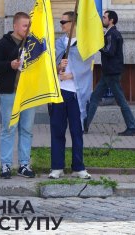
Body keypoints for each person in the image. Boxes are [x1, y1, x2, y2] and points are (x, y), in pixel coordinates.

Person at [0, 12, 36, 179]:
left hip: (29, 93)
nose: (27, 29)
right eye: (24, 26)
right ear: (15, 26)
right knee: (8, 128)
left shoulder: (33, 44)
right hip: (10, 92)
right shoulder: (2, 44)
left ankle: (24, 164)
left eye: (29, 26)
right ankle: (6, 165)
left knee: (27, 129)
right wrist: (10, 65)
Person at [48, 12, 93, 179]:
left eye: (64, 22)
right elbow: (50, 65)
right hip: (59, 92)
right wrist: (59, 66)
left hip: (76, 93)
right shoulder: (59, 43)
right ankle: (57, 166)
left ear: (73, 23)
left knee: (76, 131)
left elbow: (88, 66)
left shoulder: (83, 44)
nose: (61, 25)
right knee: (57, 130)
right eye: (60, 22)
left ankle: (78, 167)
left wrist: (73, 73)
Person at [85, 10, 135, 136]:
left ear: (111, 20)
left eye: (104, 17)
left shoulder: (112, 34)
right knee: (94, 97)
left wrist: (97, 45)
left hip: (112, 73)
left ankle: (132, 126)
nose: (103, 19)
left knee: (120, 100)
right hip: (109, 72)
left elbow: (110, 51)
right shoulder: (111, 33)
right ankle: (84, 125)